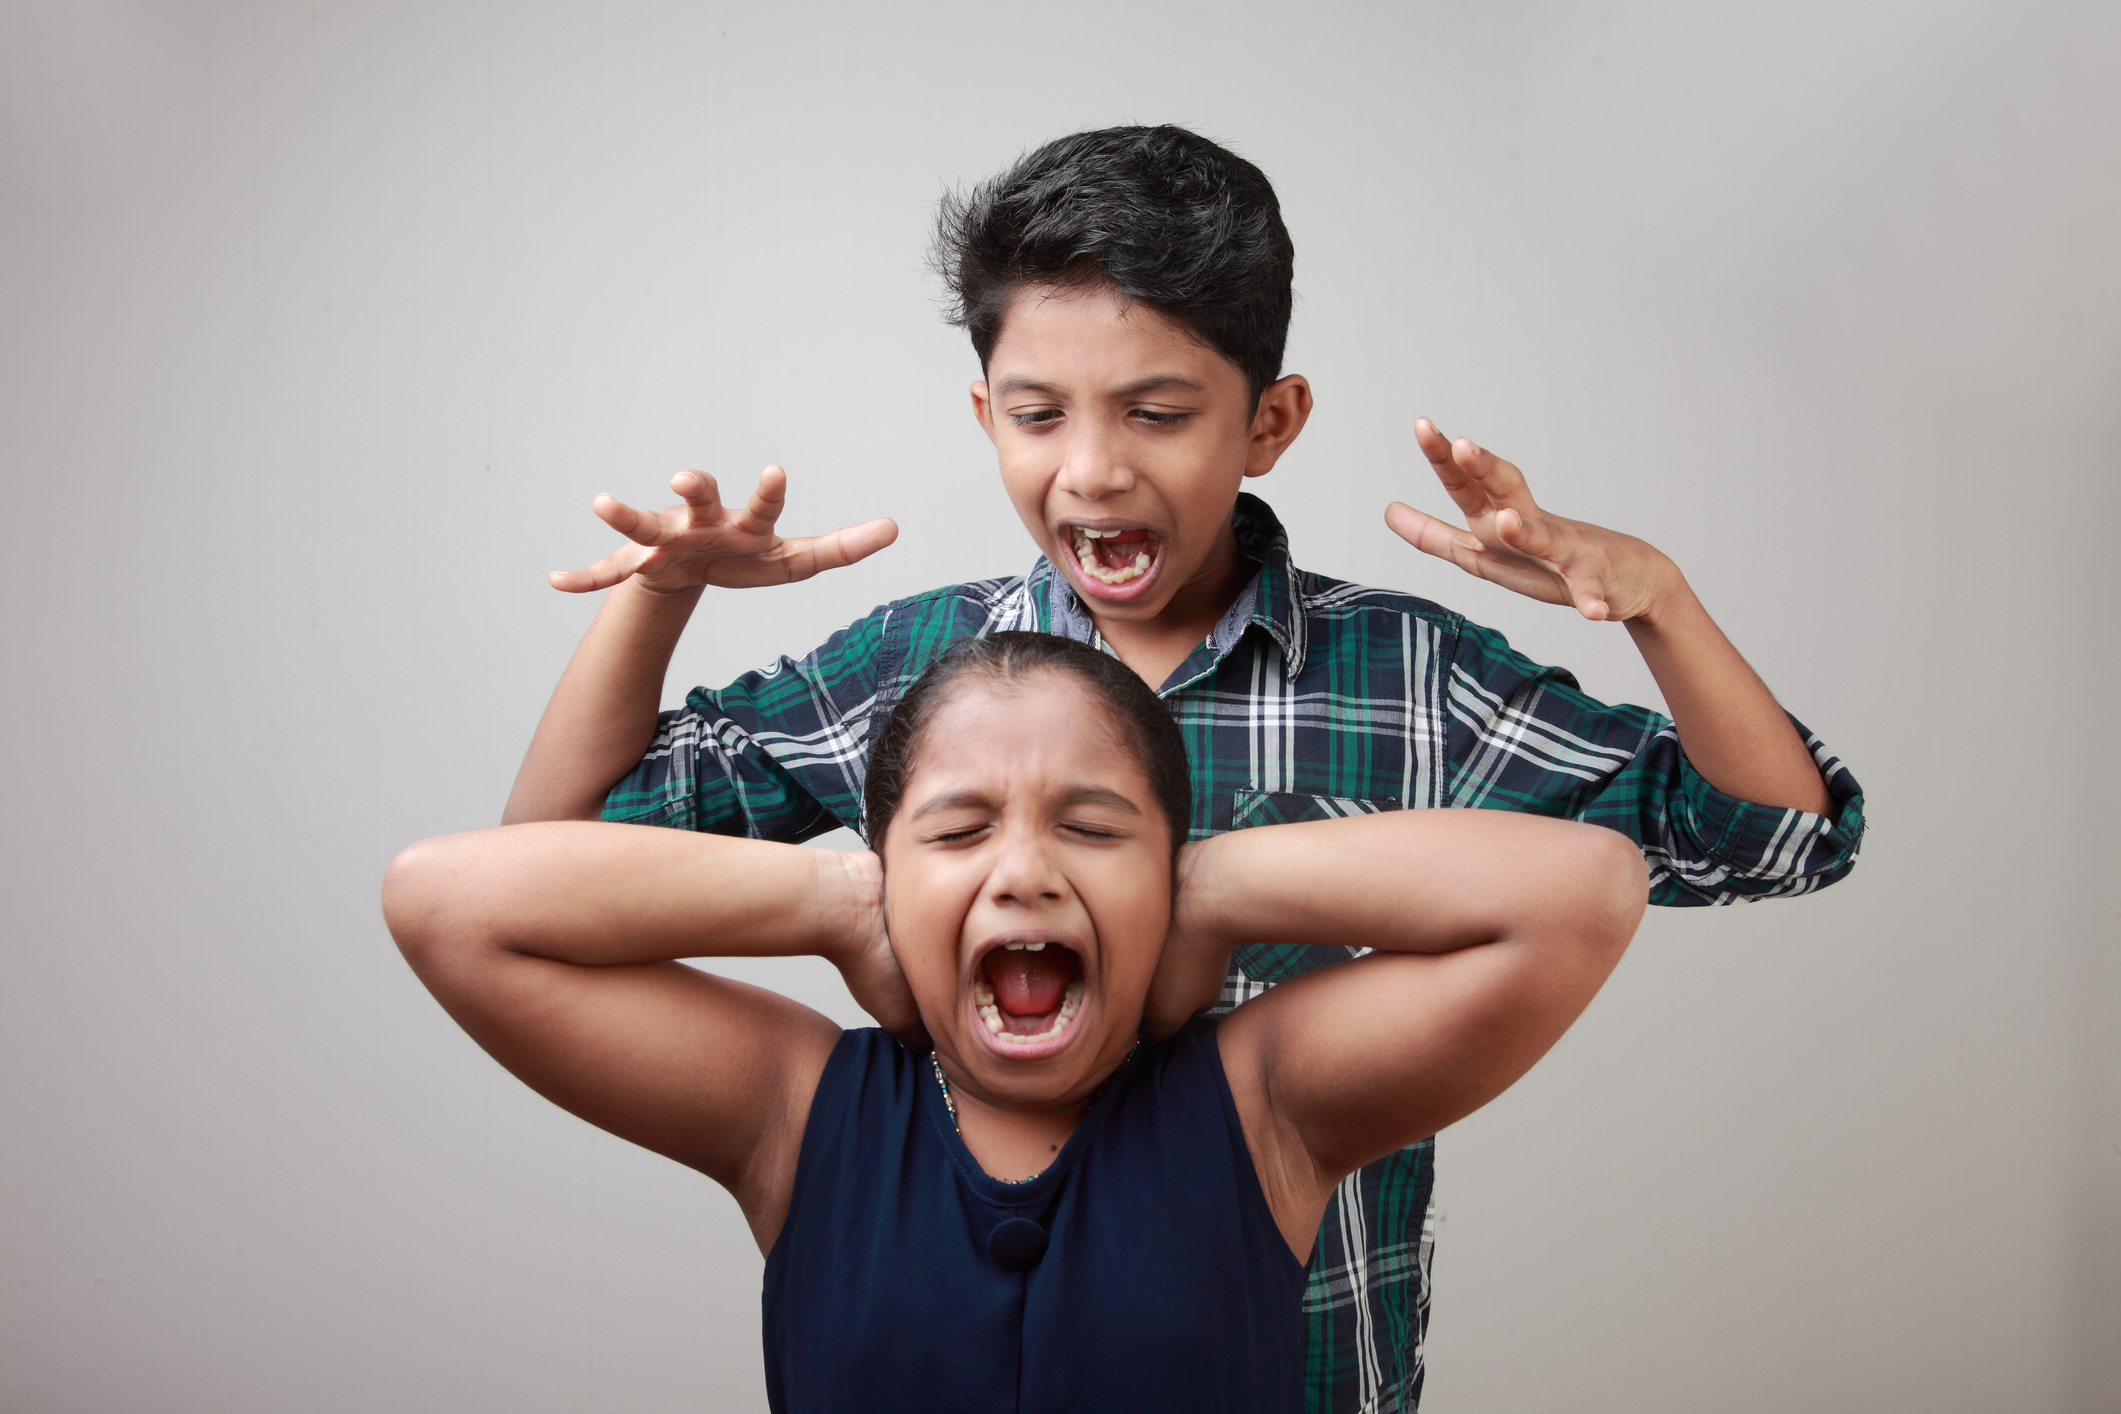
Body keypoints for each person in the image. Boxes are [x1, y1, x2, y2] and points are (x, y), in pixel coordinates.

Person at [499, 126, 1866, 1410]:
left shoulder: (1405, 673)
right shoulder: (916, 668)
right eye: (1040, 416)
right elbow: (550, 858)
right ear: (984, 414)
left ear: (1268, 423)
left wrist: (1658, 601)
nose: (1090, 471)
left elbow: (1771, 837)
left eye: (1155, 412)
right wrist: (660, 598)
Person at [386, 634, 1649, 1413]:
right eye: (958, 829)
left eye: (1093, 828)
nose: (1026, 872)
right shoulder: (798, 1110)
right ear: (888, 868)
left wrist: (1208, 894)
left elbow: (1586, 890)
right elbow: (445, 900)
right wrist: (832, 900)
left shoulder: (1264, 1104)